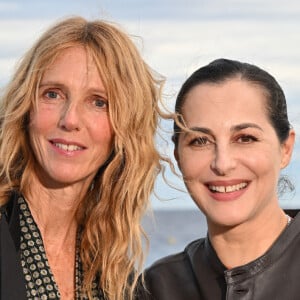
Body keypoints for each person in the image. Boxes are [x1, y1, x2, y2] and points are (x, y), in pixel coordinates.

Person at [0, 16, 164, 300]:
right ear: (25, 108)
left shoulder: (115, 274)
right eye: (53, 94)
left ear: (124, 128)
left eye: (98, 102)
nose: (70, 119)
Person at [139, 58, 298, 299]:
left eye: (245, 138)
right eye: (200, 141)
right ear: (178, 157)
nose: (222, 164)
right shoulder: (158, 288)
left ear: (285, 148)